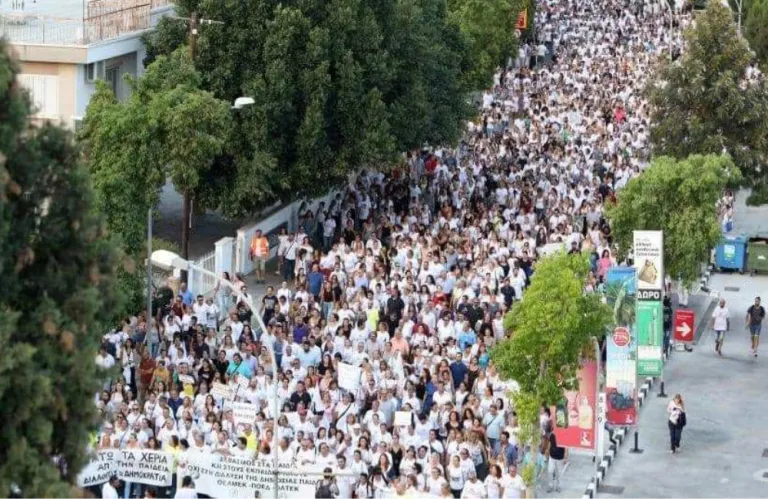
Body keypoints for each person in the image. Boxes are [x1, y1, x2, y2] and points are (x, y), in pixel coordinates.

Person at [545, 422, 565, 493]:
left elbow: (566, 446)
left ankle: (559, 486)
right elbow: (550, 443)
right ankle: (550, 486)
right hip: (552, 457)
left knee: (559, 473)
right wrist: (547, 451)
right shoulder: (552, 434)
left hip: (560, 457)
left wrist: (566, 457)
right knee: (550, 471)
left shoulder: (563, 435)